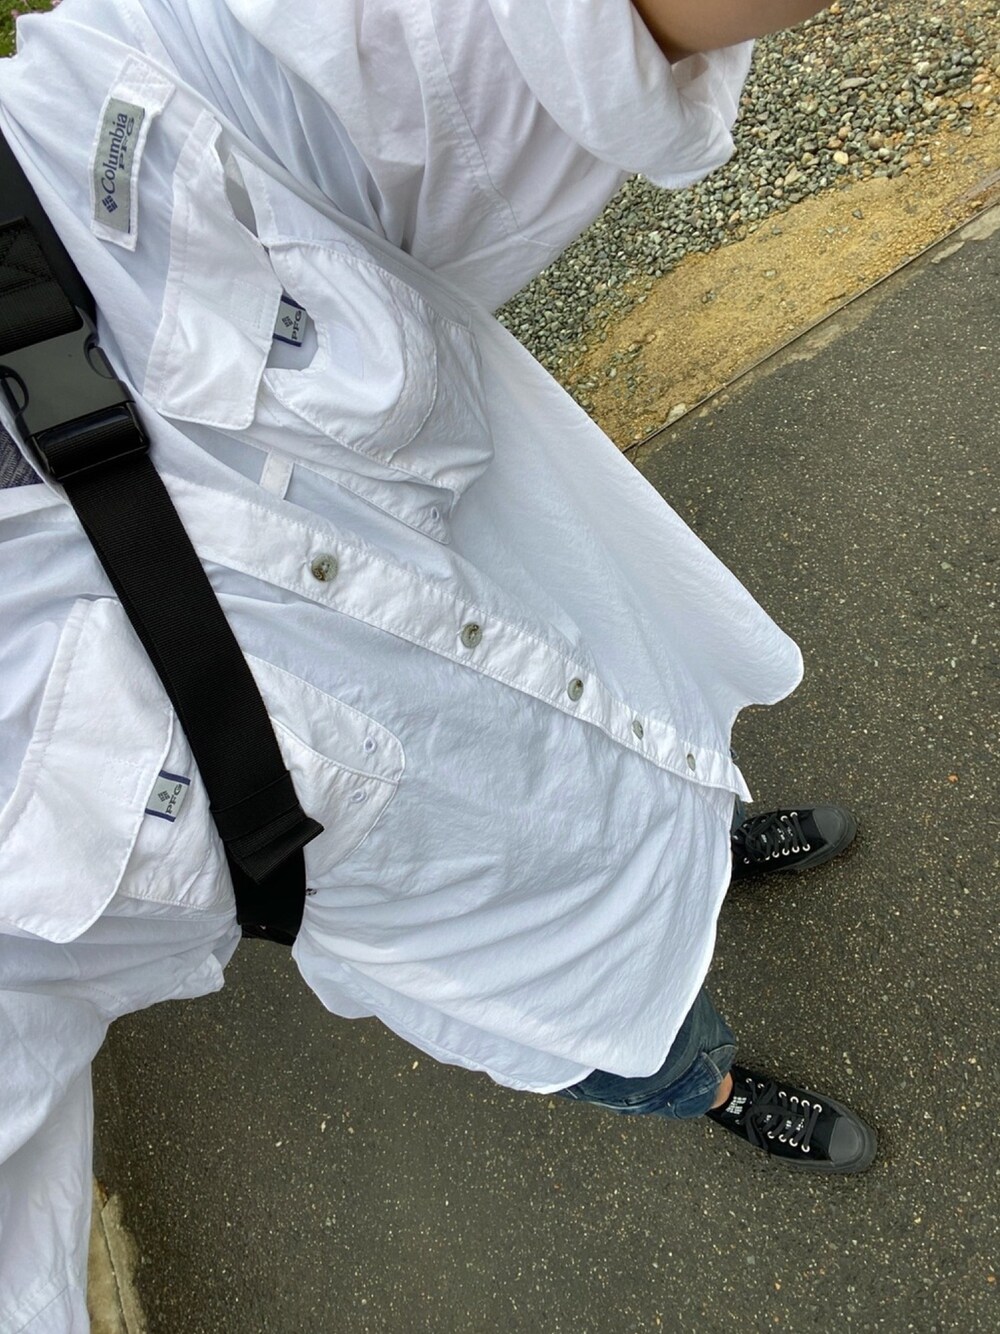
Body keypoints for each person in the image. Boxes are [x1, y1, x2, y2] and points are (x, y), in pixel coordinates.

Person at [0, 1, 877, 1327]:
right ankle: (714, 1088)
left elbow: (473, 46)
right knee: (649, 1042)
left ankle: (718, 854)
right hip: (511, 944)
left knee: (689, 821)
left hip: (634, 721)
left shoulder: (72, 156)